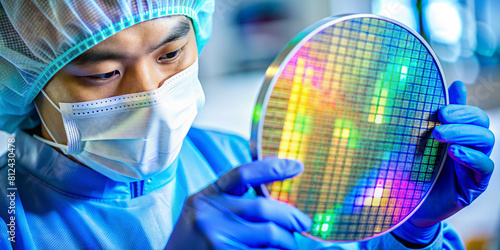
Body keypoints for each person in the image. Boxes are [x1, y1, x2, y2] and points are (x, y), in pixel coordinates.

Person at [0, 1, 494, 249]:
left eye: (171, 53)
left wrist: (413, 228)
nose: (148, 93)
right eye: (103, 74)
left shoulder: (244, 162)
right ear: (27, 76)